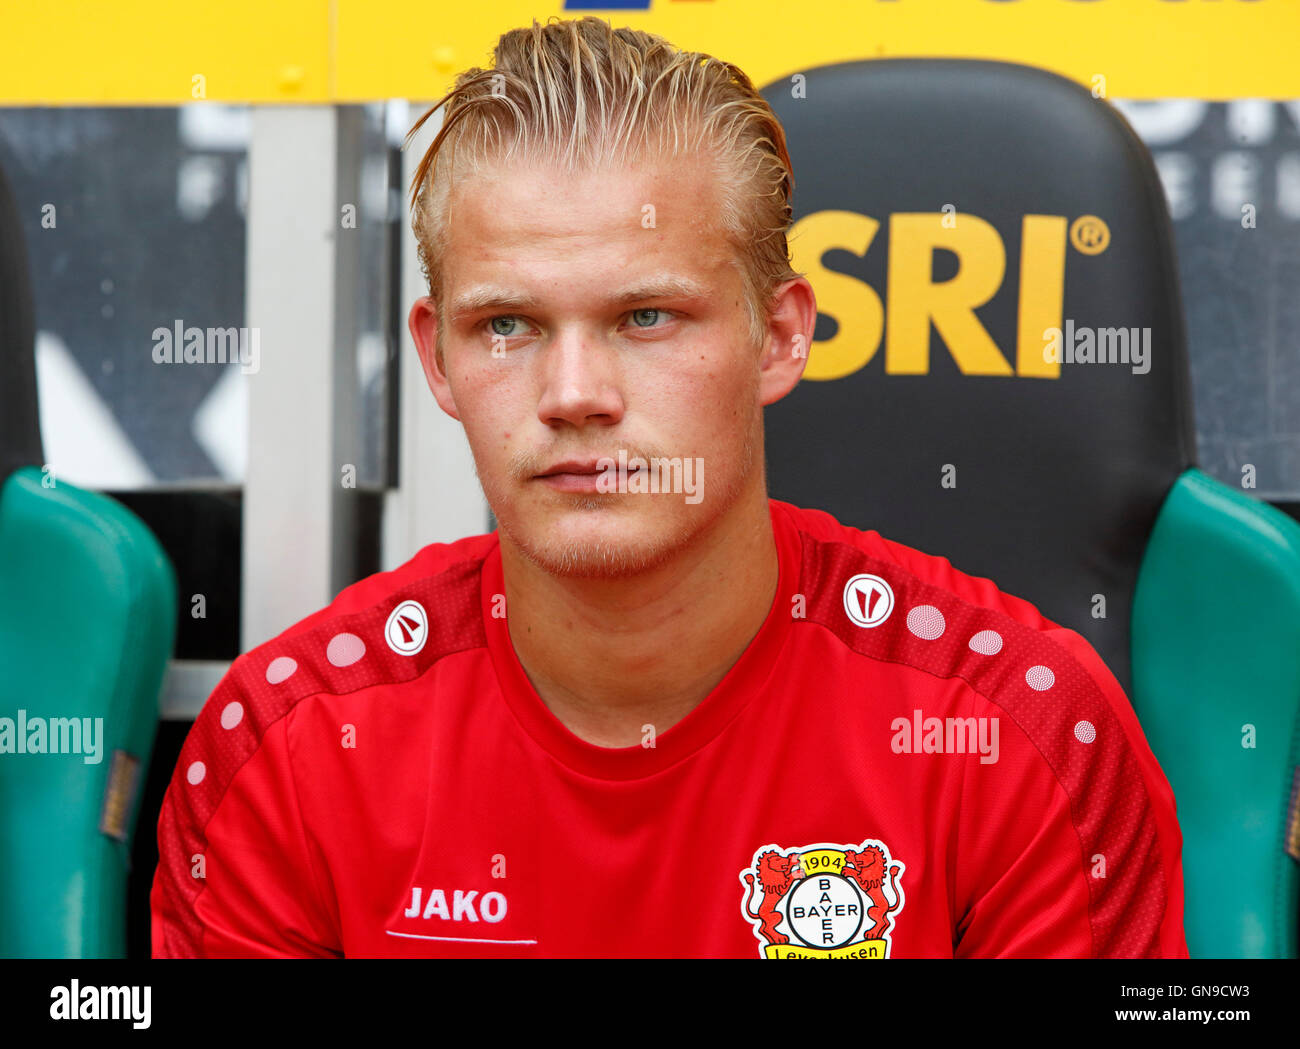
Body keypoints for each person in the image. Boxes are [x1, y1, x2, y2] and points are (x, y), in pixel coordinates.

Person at [151, 16, 1187, 958]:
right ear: (436, 357)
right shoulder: (283, 750)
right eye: (505, 325)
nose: (571, 394)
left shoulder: (1024, 732)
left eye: (645, 317)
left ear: (780, 335)